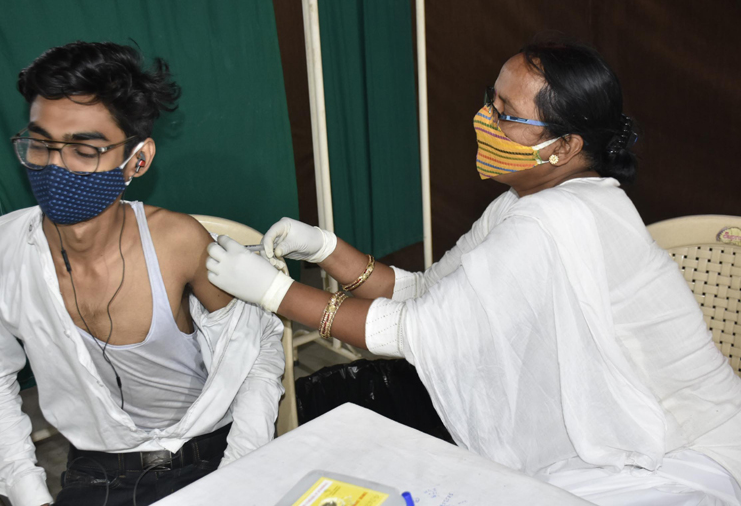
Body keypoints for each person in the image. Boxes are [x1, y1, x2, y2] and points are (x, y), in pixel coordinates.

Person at [206, 39, 741, 505]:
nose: (484, 119)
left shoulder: (553, 219)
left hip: (677, 451)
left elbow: (408, 330)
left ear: (565, 147)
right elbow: (425, 292)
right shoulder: (525, 199)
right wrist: (324, 248)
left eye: (507, 114)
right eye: (491, 100)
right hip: (620, 429)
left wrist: (273, 292)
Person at [0, 41, 285, 506]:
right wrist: (28, 491)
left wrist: (240, 468)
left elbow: (257, 349)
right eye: (41, 144)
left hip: (208, 453)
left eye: (83, 149)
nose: (55, 165)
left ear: (138, 159)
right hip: (97, 470)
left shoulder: (178, 243)